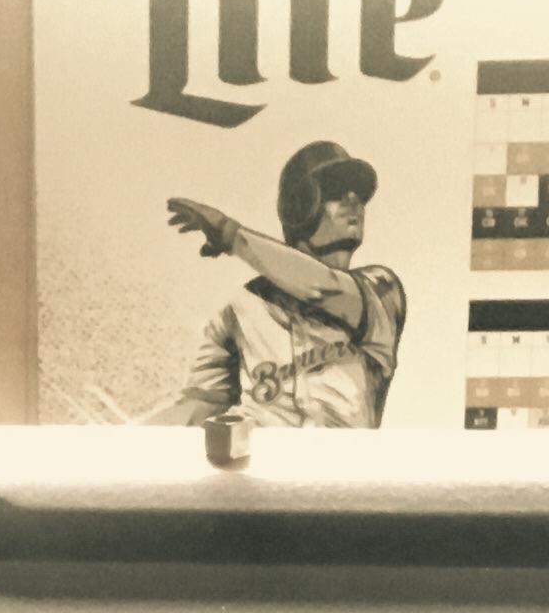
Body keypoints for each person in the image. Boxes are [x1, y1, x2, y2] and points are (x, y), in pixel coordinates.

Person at [158, 138, 408, 427]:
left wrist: (232, 236)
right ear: (301, 206)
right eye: (335, 191)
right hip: (263, 468)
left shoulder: (382, 288)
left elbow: (322, 287)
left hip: (342, 466)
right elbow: (199, 404)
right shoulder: (243, 306)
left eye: (359, 194)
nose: (354, 200)